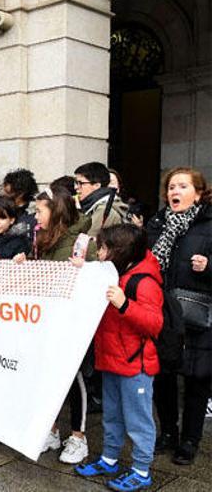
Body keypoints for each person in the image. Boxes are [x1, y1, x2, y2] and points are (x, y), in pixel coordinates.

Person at [75, 224, 163, 492]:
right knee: (112, 415)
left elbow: (154, 324)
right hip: (111, 360)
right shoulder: (114, 274)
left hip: (135, 364)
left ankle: (141, 469)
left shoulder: (143, 281)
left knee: (138, 420)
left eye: (103, 249)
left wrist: (125, 304)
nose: (99, 254)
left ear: (120, 252)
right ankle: (109, 459)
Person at [20, 189, 97, 463]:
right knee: (46, 376)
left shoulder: (82, 242)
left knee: (73, 378)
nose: (36, 215)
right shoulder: (43, 239)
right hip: (48, 321)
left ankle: (78, 436)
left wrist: (83, 270)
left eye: (40, 210)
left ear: (56, 211)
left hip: (72, 323)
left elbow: (96, 280)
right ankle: (51, 431)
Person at [146, 167, 212, 465]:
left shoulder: (209, 224)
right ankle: (168, 433)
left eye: (183, 186)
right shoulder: (158, 224)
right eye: (172, 187)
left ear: (198, 193)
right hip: (163, 312)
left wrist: (208, 266)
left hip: (199, 315)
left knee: (198, 380)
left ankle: (189, 441)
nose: (175, 192)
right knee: (163, 376)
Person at [74, 162, 128, 238]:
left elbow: (86, 243)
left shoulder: (104, 210)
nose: (76, 187)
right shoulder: (93, 206)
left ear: (97, 185)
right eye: (75, 183)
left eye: (80, 183)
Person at [1, 168, 39, 241]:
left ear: (21, 193)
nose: (3, 195)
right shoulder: (2, 210)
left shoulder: (35, 214)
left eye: (8, 193)